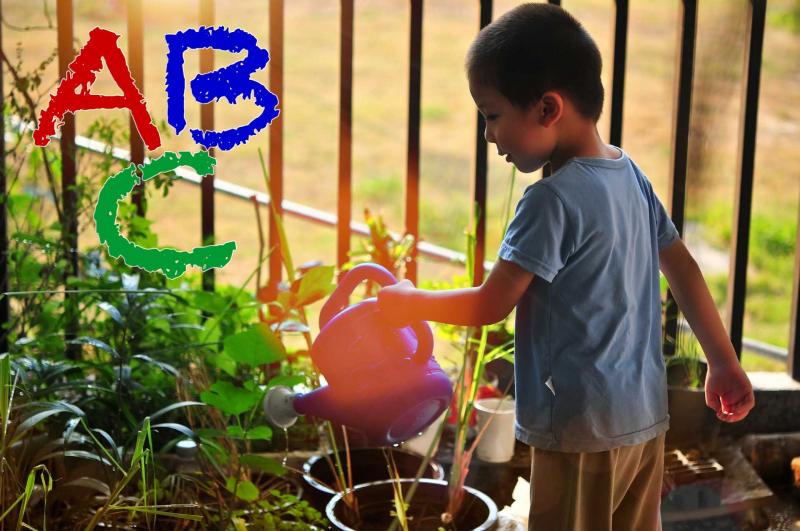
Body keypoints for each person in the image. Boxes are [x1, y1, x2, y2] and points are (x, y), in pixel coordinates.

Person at [376, 3, 755, 530]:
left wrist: (408, 303)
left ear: (547, 108)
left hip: (580, 431)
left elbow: (491, 303)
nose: (488, 135)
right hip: (645, 420)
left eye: (492, 114)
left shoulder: (550, 201)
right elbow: (684, 270)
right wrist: (723, 360)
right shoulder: (630, 175)